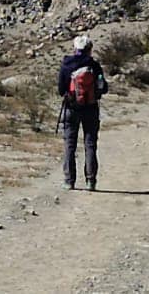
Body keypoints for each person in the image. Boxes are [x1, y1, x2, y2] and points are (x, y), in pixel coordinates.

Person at [57, 35, 107, 190]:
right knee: (90, 144)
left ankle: (69, 181)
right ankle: (91, 181)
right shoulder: (94, 66)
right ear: (89, 49)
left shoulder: (66, 65)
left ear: (75, 49)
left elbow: (60, 89)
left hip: (71, 108)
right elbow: (103, 88)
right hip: (91, 108)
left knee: (69, 145)